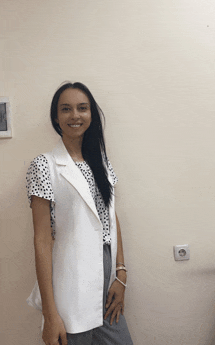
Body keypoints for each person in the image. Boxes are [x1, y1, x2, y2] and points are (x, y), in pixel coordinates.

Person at [26, 82, 133, 345]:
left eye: (82, 108)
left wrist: (121, 273)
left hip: (107, 279)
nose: (75, 115)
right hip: (71, 285)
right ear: (56, 117)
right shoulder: (44, 165)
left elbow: (110, 215)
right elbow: (41, 241)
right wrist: (51, 315)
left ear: (91, 115)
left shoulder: (101, 162)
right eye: (66, 109)